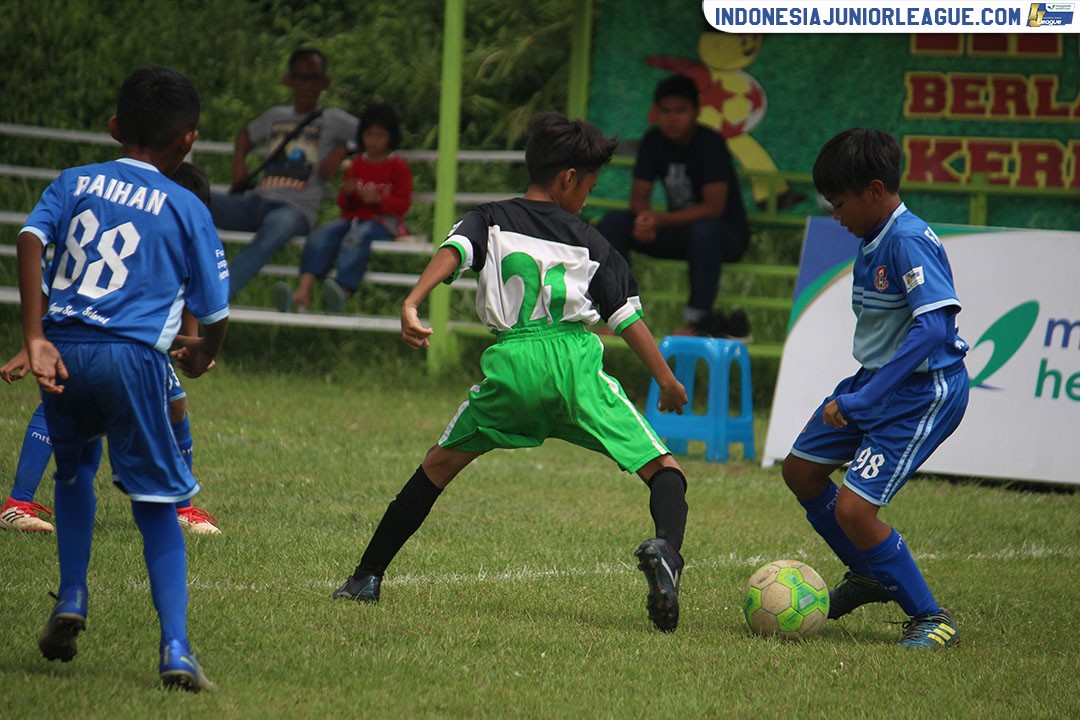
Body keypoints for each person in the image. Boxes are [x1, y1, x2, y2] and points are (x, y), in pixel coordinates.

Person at [332, 112, 692, 633]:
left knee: (436, 468)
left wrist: (413, 301)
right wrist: (665, 379)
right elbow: (626, 318)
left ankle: (366, 576)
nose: (588, 196)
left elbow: (454, 253)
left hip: (513, 365)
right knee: (665, 471)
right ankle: (667, 553)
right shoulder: (594, 243)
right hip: (575, 365)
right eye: (589, 185)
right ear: (569, 178)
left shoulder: (490, 218)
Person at [16, 66, 229, 690]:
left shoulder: (75, 181)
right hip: (131, 358)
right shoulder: (185, 204)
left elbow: (30, 238)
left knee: (74, 471)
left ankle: (72, 595)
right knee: (158, 502)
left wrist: (33, 335)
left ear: (114, 127)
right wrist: (203, 351)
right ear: (188, 140)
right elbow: (214, 310)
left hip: (63, 349)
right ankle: (175, 648)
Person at [780, 128, 969, 649]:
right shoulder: (873, 237)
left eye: (840, 204)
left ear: (875, 190)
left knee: (855, 511)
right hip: (875, 381)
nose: (835, 215)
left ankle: (932, 617)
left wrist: (866, 398)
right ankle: (867, 574)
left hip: (919, 392)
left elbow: (935, 328)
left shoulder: (906, 239)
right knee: (801, 471)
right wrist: (865, 390)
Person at [1, 163, 222, 536]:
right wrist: (33, 339)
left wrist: (195, 345)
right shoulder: (154, 234)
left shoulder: (163, 230)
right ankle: (18, 502)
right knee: (72, 405)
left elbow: (185, 302)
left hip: (115, 340)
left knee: (130, 413)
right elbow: (57, 271)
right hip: (107, 339)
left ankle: (176, 507)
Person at [596, 73, 751, 339]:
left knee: (704, 229)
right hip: (681, 234)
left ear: (696, 111)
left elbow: (713, 208)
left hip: (723, 237)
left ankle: (698, 322)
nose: (672, 118)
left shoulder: (711, 144)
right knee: (613, 223)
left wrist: (658, 221)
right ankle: (618, 314)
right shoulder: (653, 141)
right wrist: (644, 218)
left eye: (680, 110)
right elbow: (639, 196)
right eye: (665, 111)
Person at [210, 48, 358, 300]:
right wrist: (239, 162)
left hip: (294, 210)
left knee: (272, 233)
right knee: (194, 201)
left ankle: (216, 296)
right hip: (255, 202)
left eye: (314, 78)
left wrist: (345, 149)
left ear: (325, 82)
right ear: (289, 80)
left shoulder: (334, 120)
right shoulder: (276, 115)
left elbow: (378, 132)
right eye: (301, 78)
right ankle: (169, 282)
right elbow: (245, 135)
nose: (307, 85)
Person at [275, 100, 413, 313]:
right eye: (369, 134)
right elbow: (343, 204)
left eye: (380, 135)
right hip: (353, 219)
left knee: (356, 238)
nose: (374, 141)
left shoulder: (398, 166)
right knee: (322, 234)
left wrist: (379, 200)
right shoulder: (357, 164)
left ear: (391, 137)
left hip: (383, 223)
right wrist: (349, 194)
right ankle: (303, 291)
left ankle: (342, 290)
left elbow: (403, 203)